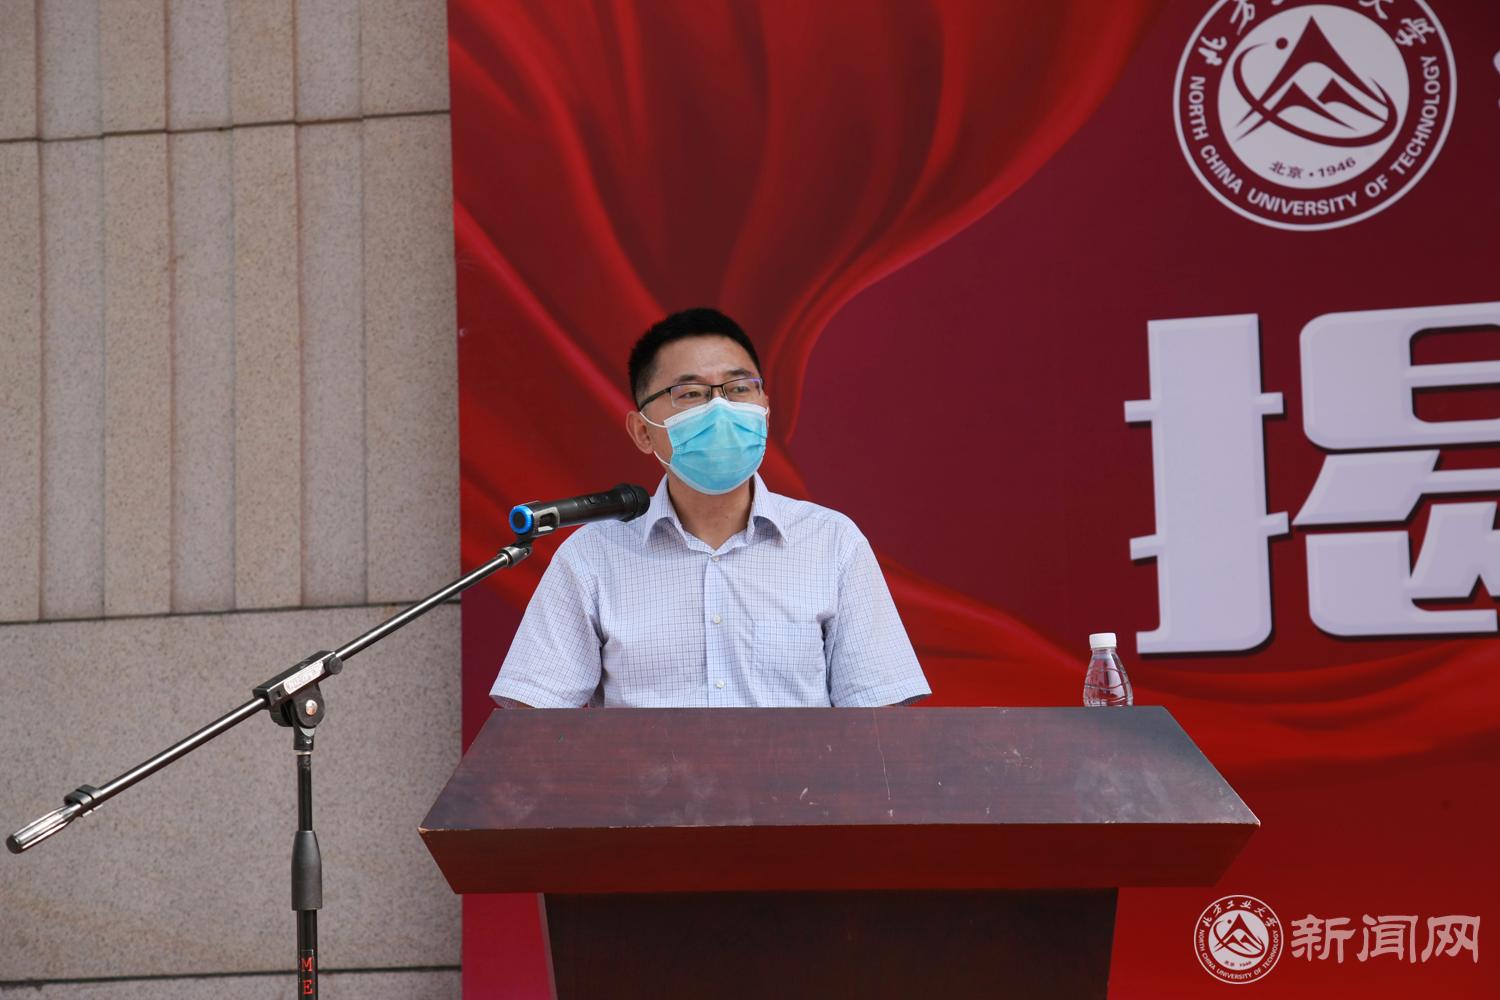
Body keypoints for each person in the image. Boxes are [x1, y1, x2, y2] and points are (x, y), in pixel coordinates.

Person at [490, 307, 931, 708]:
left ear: (765, 409)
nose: (721, 407)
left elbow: (880, 725)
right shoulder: (592, 556)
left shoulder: (831, 542)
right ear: (643, 431)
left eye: (739, 388)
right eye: (691, 393)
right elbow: (533, 725)